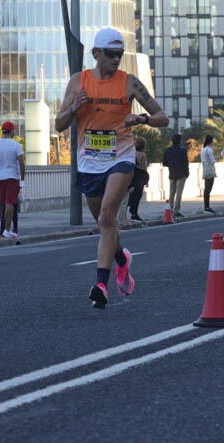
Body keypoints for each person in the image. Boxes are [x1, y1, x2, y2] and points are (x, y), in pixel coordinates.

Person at [56, 28, 167, 308]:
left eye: (120, 55)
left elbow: (161, 117)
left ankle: (100, 285)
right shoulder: (78, 82)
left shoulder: (129, 83)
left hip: (121, 158)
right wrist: (73, 109)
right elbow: (58, 125)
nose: (116, 60)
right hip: (89, 163)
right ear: (96, 53)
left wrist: (140, 119)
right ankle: (122, 259)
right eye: (110, 55)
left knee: (108, 217)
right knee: (104, 225)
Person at [0, 122, 25, 238]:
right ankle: (7, 230)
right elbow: (21, 163)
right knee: (10, 203)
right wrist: (22, 179)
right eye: (13, 130)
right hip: (12, 177)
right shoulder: (16, 145)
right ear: (11, 131)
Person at [162, 133, 189, 217]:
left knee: (171, 192)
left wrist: (171, 165)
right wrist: (187, 172)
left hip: (172, 173)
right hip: (181, 173)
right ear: (180, 141)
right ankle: (176, 210)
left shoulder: (168, 150)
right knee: (179, 193)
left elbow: (164, 163)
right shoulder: (183, 150)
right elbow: (185, 163)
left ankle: (169, 209)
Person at [126, 136, 150, 221]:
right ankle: (134, 213)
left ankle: (128, 210)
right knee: (137, 196)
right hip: (139, 178)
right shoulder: (142, 154)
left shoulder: (131, 152)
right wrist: (146, 180)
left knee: (130, 195)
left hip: (131, 176)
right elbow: (143, 167)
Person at [200, 134, 218, 213]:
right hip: (210, 168)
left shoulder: (203, 149)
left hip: (205, 167)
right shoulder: (209, 150)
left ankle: (206, 206)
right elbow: (212, 160)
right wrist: (216, 157)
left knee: (206, 187)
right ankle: (207, 207)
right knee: (209, 188)